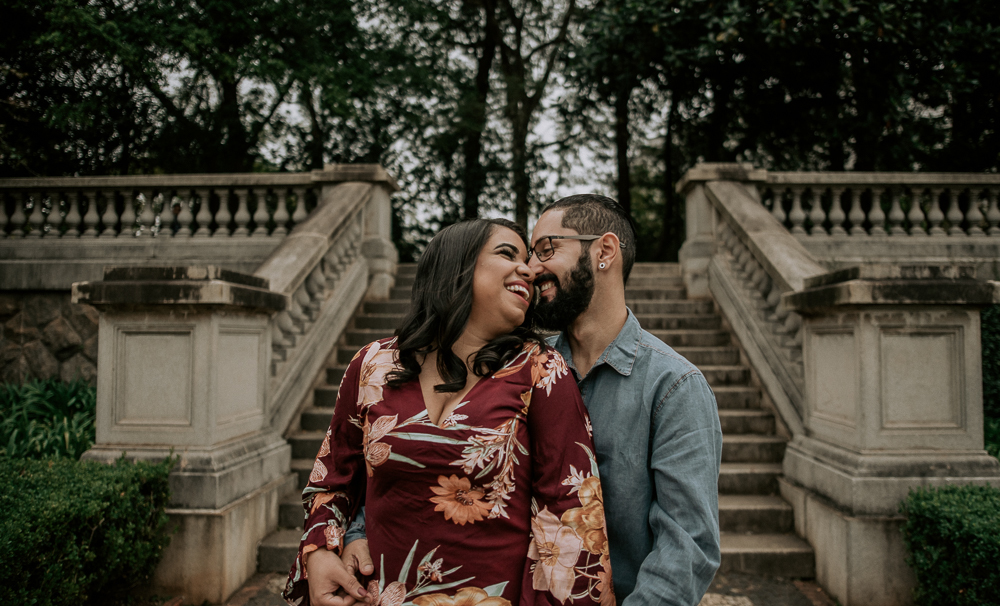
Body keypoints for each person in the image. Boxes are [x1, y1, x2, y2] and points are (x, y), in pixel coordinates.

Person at [336, 196, 723, 606]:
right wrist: (356, 531)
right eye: (525, 254)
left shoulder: (674, 386)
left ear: (604, 252)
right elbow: (421, 463)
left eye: (546, 250)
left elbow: (688, 545)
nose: (532, 268)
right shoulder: (517, 366)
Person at [283, 218, 613, 606]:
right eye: (508, 254)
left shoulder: (541, 369)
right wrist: (320, 550)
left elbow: (571, 514)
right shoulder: (372, 365)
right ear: (456, 265)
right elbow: (331, 481)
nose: (528, 269)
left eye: (528, 259)